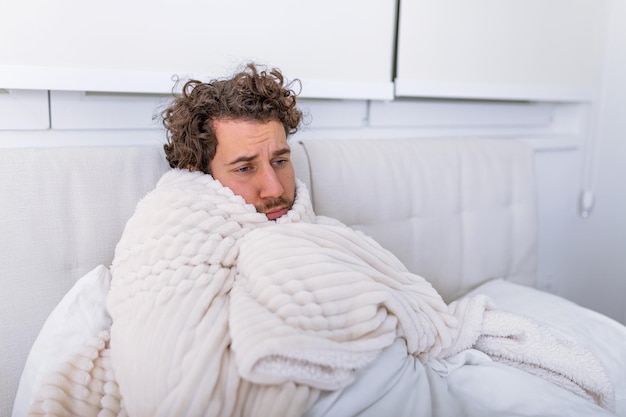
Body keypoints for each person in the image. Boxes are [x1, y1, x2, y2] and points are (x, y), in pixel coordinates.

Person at [161, 63, 302, 220]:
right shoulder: (169, 239)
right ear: (199, 178)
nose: (275, 190)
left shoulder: (330, 234)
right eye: (243, 169)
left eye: (279, 161)